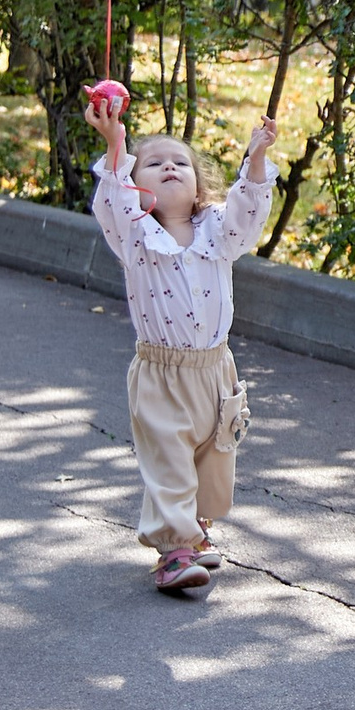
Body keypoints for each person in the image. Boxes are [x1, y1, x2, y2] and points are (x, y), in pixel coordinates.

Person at [88, 93, 280, 598]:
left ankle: (196, 530)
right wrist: (116, 144)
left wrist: (256, 157)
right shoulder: (135, 235)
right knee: (169, 461)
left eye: (180, 162)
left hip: (215, 370)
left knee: (213, 458)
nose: (170, 167)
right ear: (137, 185)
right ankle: (173, 551)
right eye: (154, 163)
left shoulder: (217, 231)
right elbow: (111, 201)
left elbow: (248, 207)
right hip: (162, 373)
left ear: (198, 185)